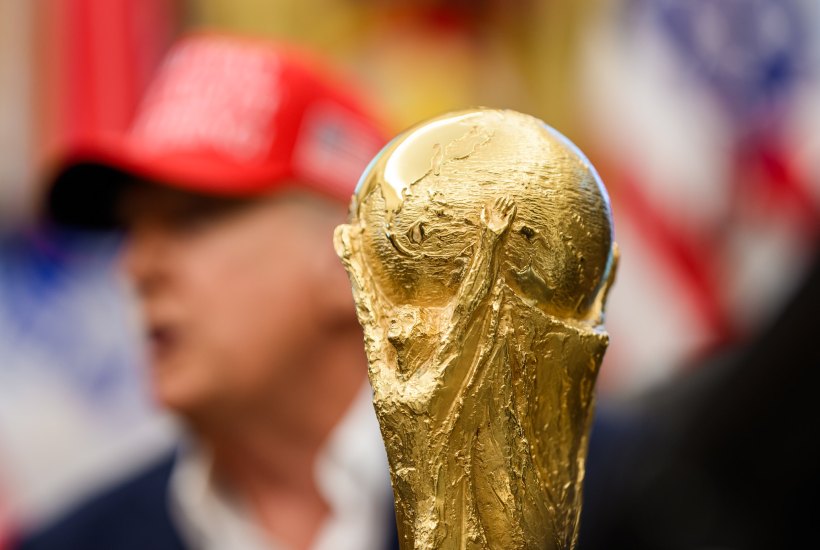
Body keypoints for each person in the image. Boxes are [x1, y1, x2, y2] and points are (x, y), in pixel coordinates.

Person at [19, 34, 398, 550]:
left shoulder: (529, 517)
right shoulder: (66, 542)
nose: (135, 268)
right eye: (130, 229)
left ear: (350, 258)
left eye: (191, 219)